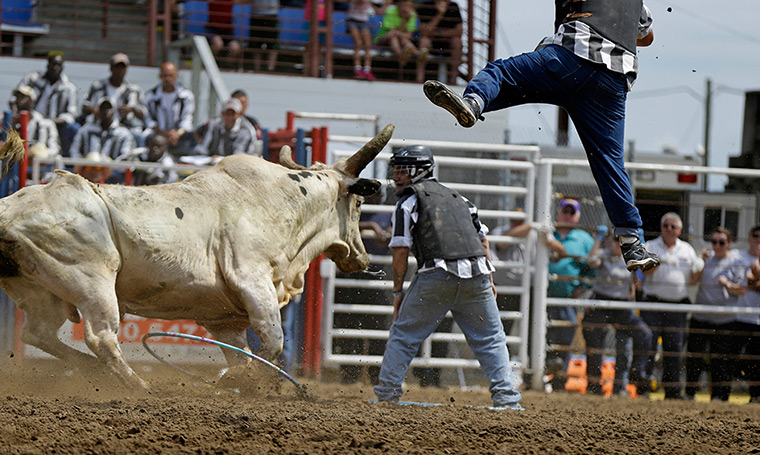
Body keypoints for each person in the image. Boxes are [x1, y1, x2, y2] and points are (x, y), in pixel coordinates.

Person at [422, 1, 660, 273]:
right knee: (609, 161)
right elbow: (647, 36)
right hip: (613, 80)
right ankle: (632, 242)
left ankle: (474, 102)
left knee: (502, 74)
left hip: (569, 58)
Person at [373, 145, 522, 409]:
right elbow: (482, 239)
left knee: (405, 334)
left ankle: (387, 394)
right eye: (395, 170)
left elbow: (400, 252)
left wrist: (398, 292)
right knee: (491, 338)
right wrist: (489, 280)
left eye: (401, 170)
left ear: (419, 171)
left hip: (437, 274)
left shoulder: (407, 202)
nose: (396, 176)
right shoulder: (461, 199)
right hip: (477, 274)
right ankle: (507, 399)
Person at [640, 212, 704, 400]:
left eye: (673, 226)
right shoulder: (650, 246)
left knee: (674, 349)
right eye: (665, 225)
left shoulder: (687, 250)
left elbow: (693, 281)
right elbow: (646, 271)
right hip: (653, 304)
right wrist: (659, 261)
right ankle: (644, 389)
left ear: (680, 230)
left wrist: (701, 266)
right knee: (649, 346)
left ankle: (673, 391)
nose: (669, 229)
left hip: (677, 306)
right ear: (661, 228)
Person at [583, 232, 652, 397]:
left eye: (621, 240)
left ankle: (627, 380)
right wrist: (598, 240)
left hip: (622, 304)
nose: (618, 244)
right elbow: (592, 262)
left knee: (640, 336)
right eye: (615, 240)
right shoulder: (603, 254)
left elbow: (636, 282)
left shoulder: (629, 256)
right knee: (594, 341)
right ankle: (593, 385)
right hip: (601, 302)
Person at [684, 227, 745, 401]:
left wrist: (728, 284)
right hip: (701, 317)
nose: (717, 246)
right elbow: (692, 281)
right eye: (714, 242)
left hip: (724, 319)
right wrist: (701, 264)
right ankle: (690, 394)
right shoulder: (706, 259)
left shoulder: (736, 261)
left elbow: (741, 290)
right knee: (694, 357)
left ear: (729, 243)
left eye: (721, 242)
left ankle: (718, 397)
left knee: (719, 360)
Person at [541, 198, 595, 391]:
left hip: (567, 298)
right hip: (541, 297)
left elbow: (592, 268)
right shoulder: (547, 232)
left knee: (564, 339)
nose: (567, 215)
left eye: (572, 212)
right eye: (565, 211)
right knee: (540, 337)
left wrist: (582, 287)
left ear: (577, 216)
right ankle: (537, 377)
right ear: (558, 212)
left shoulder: (584, 239)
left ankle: (559, 382)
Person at [17, 53, 80, 156]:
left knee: (73, 128)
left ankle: (66, 161)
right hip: (31, 118)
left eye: (59, 65)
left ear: (63, 67)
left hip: (55, 123)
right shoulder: (33, 78)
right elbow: (15, 97)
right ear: (47, 65)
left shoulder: (69, 87)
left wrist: (50, 121)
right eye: (53, 64)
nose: (55, 68)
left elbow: (71, 114)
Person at [70, 98, 135, 185]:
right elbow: (74, 151)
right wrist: (83, 165)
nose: (106, 111)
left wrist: (106, 169)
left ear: (114, 111)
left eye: (109, 108)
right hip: (87, 171)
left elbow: (125, 156)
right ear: (98, 111)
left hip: (113, 174)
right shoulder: (86, 130)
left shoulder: (123, 133)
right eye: (103, 109)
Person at [80, 53, 145, 138]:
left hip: (125, 127)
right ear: (111, 68)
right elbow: (85, 107)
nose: (119, 70)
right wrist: (95, 110)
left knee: (138, 136)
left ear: (126, 70)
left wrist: (132, 109)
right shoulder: (98, 86)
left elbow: (144, 113)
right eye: (117, 67)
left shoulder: (134, 89)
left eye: (123, 68)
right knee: (82, 131)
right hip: (100, 126)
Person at [143, 62, 196, 157]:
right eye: (165, 76)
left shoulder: (186, 96)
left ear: (176, 75)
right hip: (158, 133)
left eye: (171, 75)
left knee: (192, 137)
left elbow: (187, 120)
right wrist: (165, 134)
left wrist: (176, 134)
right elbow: (149, 121)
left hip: (179, 135)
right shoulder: (150, 96)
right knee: (147, 137)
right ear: (160, 76)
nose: (168, 79)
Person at [731, 226, 760, 403]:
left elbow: (747, 284)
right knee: (733, 358)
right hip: (739, 316)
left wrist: (754, 278)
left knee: (757, 360)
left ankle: (755, 396)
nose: (758, 239)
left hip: (758, 319)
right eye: (755, 236)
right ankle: (723, 394)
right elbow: (739, 285)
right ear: (749, 238)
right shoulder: (738, 257)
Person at [415, 0, 462, 84]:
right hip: (432, 42)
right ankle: (419, 79)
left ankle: (453, 80)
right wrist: (439, 14)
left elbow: (459, 31)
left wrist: (439, 33)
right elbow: (424, 32)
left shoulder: (453, 6)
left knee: (457, 42)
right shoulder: (426, 6)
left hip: (447, 42)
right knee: (424, 41)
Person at [7, 85, 61, 158]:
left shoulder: (45, 123)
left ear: (31, 100)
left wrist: (38, 154)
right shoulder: (9, 121)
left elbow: (54, 149)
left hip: (39, 164)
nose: (19, 100)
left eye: (22, 97)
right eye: (17, 97)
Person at [193, 98, 259, 157]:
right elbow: (202, 148)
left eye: (233, 114)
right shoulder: (214, 124)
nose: (229, 117)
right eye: (227, 113)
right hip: (212, 164)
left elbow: (239, 157)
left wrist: (219, 159)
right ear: (222, 114)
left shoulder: (246, 130)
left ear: (239, 114)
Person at [374, 0, 427, 68]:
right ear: (399, 5)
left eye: (408, 6)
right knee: (393, 36)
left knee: (402, 39)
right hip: (382, 39)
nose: (406, 8)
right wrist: (406, 21)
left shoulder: (412, 15)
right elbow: (392, 32)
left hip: (399, 40)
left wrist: (400, 32)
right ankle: (406, 55)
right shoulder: (390, 12)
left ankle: (416, 54)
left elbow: (409, 35)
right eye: (404, 5)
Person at [346, 0, 380, 81]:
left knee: (368, 44)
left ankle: (367, 70)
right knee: (358, 43)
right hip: (352, 19)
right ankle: (357, 69)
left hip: (364, 20)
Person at [249, 0, 280, 72]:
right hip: (256, 13)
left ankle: (270, 69)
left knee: (273, 44)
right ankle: (257, 69)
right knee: (255, 44)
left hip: (272, 13)